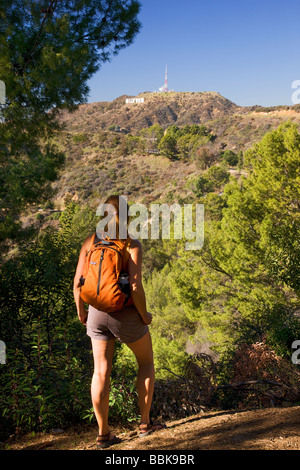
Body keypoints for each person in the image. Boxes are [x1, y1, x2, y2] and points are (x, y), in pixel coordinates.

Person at [73, 195, 165, 449]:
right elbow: (135, 286)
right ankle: (145, 424)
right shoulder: (130, 244)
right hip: (124, 313)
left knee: (100, 371)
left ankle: (103, 434)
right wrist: (144, 315)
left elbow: (78, 282)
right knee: (146, 363)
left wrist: (81, 311)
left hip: (95, 311)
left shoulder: (90, 242)